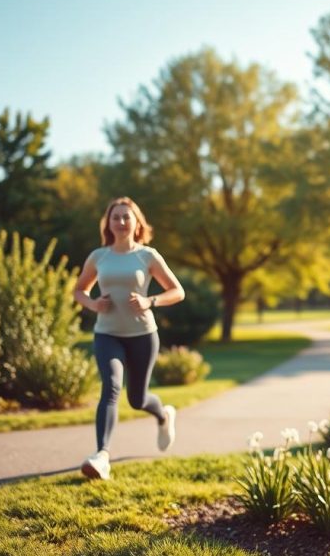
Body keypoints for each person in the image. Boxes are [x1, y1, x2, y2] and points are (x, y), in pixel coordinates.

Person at [73, 197, 186, 480]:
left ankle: (163, 415)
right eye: (116, 217)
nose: (121, 222)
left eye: (126, 217)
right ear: (108, 223)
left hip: (142, 335)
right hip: (107, 333)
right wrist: (93, 304)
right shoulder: (99, 257)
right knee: (111, 387)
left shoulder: (147, 256)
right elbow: (79, 291)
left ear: (136, 222)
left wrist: (151, 301)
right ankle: (102, 456)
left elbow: (177, 291)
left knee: (137, 399)